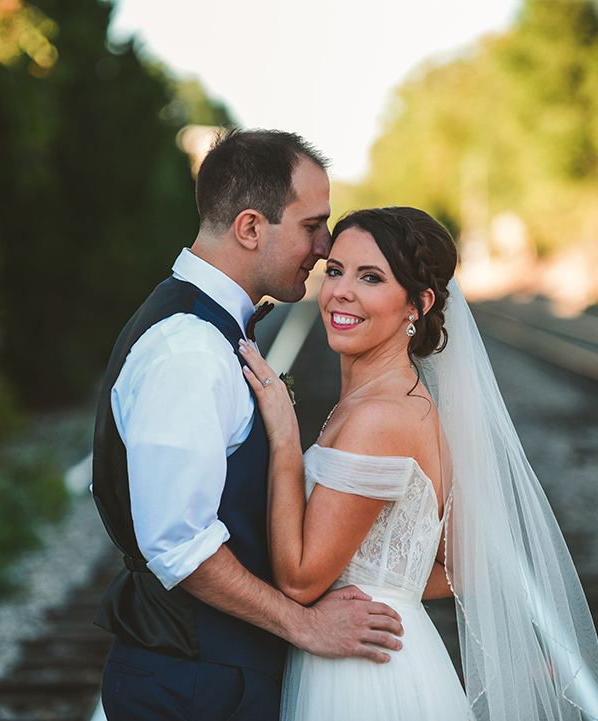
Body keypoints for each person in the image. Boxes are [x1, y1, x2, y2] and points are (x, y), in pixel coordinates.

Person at [238, 207, 598, 720]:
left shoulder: (380, 418)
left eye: (370, 277)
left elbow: (301, 581)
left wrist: (284, 438)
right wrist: (387, 585)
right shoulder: (402, 402)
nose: (340, 292)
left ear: (419, 303)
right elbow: (462, 565)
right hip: (384, 655)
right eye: (335, 271)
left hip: (363, 679)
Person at [90, 130, 405, 721]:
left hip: (211, 678)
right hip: (192, 687)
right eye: (312, 225)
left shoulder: (209, 330)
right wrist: (305, 626)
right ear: (251, 228)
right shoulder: (188, 348)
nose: (323, 246)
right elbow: (179, 544)